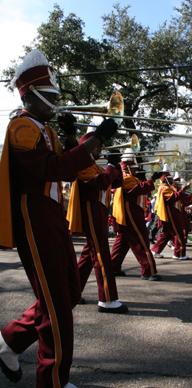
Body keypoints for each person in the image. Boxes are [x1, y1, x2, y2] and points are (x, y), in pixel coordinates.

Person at [0, 50, 118, 388]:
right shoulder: (21, 126)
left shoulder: (44, 129)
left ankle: (8, 342)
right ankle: (52, 380)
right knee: (56, 307)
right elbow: (54, 169)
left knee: (65, 293)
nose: (56, 102)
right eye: (50, 97)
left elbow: (74, 170)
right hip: (33, 217)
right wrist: (97, 138)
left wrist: (72, 136)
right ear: (31, 95)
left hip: (51, 217)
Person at [67, 132, 128, 313]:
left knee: (90, 253)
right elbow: (99, 183)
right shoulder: (83, 165)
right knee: (101, 252)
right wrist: (110, 166)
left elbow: (115, 183)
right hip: (90, 209)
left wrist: (116, 165)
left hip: (98, 209)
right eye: (97, 146)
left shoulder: (93, 165)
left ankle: (72, 292)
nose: (101, 150)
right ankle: (107, 299)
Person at [110, 149, 162, 281]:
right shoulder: (126, 178)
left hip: (131, 212)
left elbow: (139, 187)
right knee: (141, 240)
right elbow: (138, 189)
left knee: (122, 242)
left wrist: (145, 179)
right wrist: (151, 180)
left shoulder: (131, 178)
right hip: (130, 212)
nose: (136, 170)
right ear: (127, 167)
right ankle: (148, 271)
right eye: (134, 168)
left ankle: (113, 267)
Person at [151, 165, 191, 260]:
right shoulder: (165, 188)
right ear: (165, 180)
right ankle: (179, 254)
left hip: (169, 214)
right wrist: (183, 190)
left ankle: (155, 250)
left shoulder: (166, 188)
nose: (172, 181)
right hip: (170, 215)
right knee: (178, 233)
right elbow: (173, 198)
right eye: (170, 179)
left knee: (166, 234)